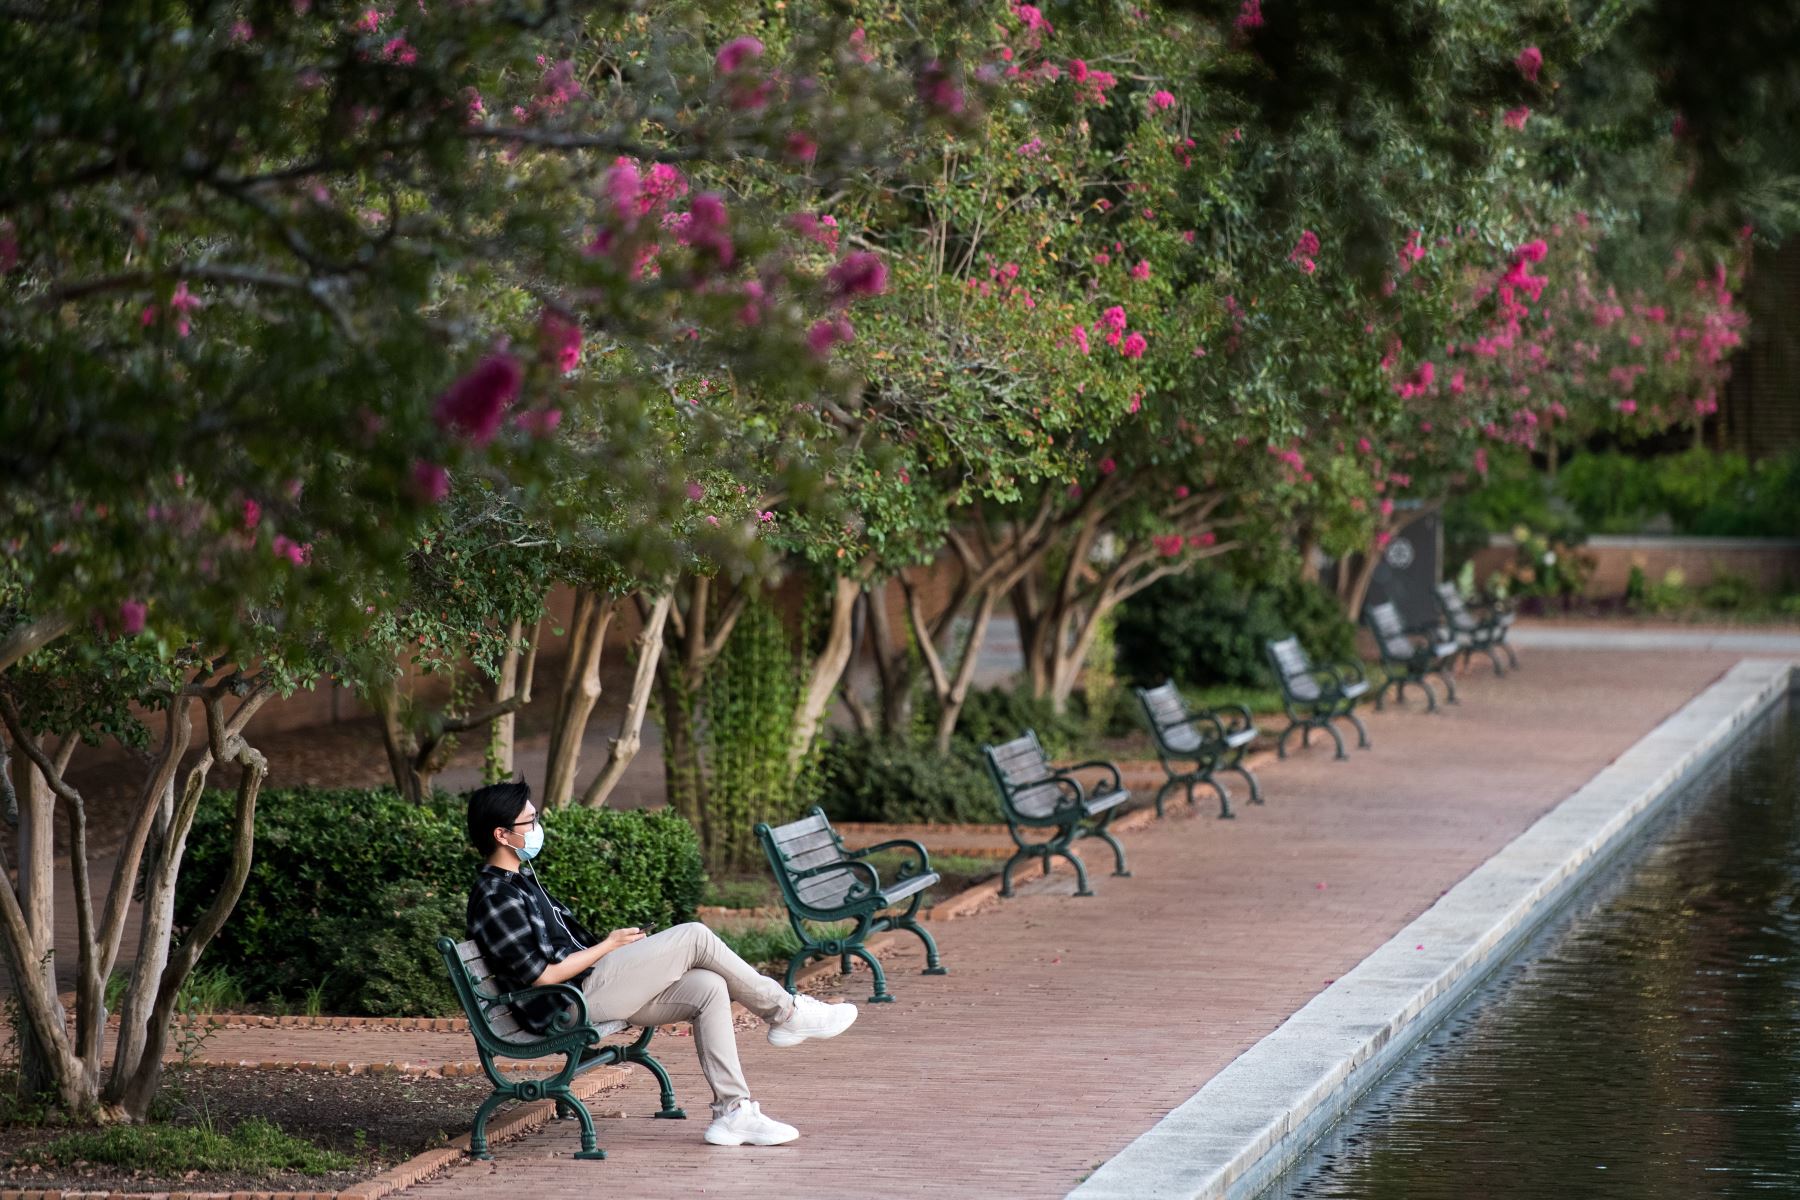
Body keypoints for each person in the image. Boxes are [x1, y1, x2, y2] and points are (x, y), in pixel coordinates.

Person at [464, 780, 856, 1147]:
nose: (537, 827)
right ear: (502, 834)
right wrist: (609, 945)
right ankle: (786, 1013)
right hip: (564, 1003)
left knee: (708, 987)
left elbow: (564, 950)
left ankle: (732, 1112)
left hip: (587, 988)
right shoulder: (496, 895)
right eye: (530, 821)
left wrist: (622, 949)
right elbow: (542, 975)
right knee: (695, 936)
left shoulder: (523, 880)